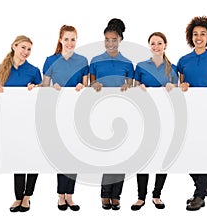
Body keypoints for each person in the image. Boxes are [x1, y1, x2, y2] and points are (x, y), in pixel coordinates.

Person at [39, 25, 89, 211]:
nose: (70, 43)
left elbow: (86, 87)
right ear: (60, 40)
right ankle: (61, 195)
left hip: (77, 112)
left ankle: (70, 195)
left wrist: (81, 88)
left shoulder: (83, 60)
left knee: (74, 153)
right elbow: (44, 87)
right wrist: (52, 89)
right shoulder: (50, 60)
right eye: (66, 39)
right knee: (62, 154)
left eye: (73, 39)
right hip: (57, 112)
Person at [177, 16, 207, 211]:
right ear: (191, 36)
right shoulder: (183, 60)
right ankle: (203, 186)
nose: (199, 37)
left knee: (203, 151)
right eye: (195, 34)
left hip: (206, 112)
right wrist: (182, 86)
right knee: (182, 153)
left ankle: (199, 195)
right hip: (186, 111)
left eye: (203, 34)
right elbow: (178, 85)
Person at [89, 18, 134, 210]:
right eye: (107, 39)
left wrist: (127, 86)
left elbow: (131, 87)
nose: (110, 43)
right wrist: (95, 84)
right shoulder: (96, 61)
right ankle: (105, 194)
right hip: (101, 111)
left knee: (121, 155)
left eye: (114, 39)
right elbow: (91, 84)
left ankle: (116, 195)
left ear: (120, 40)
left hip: (122, 112)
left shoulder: (127, 63)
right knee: (108, 154)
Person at [130, 32, 178, 211]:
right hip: (145, 117)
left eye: (159, 43)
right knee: (144, 157)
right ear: (149, 45)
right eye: (153, 43)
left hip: (166, 118)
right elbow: (133, 89)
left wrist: (173, 87)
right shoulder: (141, 66)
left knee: (162, 158)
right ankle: (140, 197)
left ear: (165, 45)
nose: (156, 46)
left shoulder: (171, 69)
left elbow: (179, 95)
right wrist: (139, 87)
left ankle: (157, 195)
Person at [0, 35, 42, 212]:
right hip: (13, 122)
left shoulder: (34, 70)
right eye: (23, 47)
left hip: (32, 120)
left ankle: (27, 197)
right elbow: (1, 91)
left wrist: (36, 88)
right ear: (14, 46)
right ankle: (18, 197)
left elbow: (42, 94)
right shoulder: (1, 70)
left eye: (29, 49)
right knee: (17, 157)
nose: (26, 52)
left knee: (32, 158)